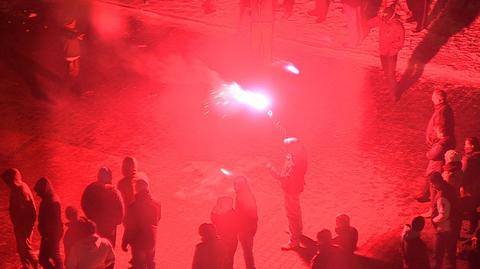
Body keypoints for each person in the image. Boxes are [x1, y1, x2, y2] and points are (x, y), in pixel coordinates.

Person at [268, 137, 307, 250]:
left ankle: (294, 241)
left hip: (291, 190)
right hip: (295, 188)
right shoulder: (300, 154)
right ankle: (297, 230)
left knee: (292, 214)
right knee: (296, 210)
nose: (286, 151)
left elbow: (285, 178)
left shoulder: (295, 164)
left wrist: (272, 171)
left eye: (288, 148)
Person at [417, 89, 455, 203]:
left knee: (433, 172)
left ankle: (432, 197)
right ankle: (426, 193)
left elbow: (441, 131)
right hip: (440, 145)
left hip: (439, 146)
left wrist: (436, 139)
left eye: (433, 97)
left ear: (439, 99)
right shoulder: (445, 109)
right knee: (433, 170)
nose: (431, 99)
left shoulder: (441, 112)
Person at [122, 173, 161, 269]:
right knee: (151, 262)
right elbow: (158, 219)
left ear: (137, 189)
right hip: (151, 239)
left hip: (138, 242)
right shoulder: (157, 203)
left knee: (139, 265)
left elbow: (130, 227)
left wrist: (125, 241)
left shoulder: (133, 207)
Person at [2, 168, 39, 269]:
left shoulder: (21, 190)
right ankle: (26, 266)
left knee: (26, 249)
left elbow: (29, 212)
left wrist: (25, 227)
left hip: (24, 226)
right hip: (20, 225)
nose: (7, 184)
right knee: (21, 248)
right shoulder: (17, 188)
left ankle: (36, 265)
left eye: (8, 181)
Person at [367, 6, 404, 98]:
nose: (384, 17)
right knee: (386, 72)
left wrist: (392, 50)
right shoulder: (382, 20)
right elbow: (369, 24)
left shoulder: (398, 25)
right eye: (383, 15)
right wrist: (379, 17)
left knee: (391, 74)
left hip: (391, 54)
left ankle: (394, 94)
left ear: (391, 15)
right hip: (383, 52)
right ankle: (391, 87)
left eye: (385, 15)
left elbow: (400, 42)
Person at [81, 167, 124, 246]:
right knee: (109, 251)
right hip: (109, 229)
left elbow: (84, 204)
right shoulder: (114, 192)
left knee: (95, 250)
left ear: (98, 176)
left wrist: (90, 217)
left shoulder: (90, 188)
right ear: (110, 177)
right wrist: (114, 222)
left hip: (94, 227)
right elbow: (121, 212)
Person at [430, 172, 459, 269]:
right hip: (454, 226)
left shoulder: (441, 196)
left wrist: (434, 220)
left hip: (443, 230)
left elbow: (443, 215)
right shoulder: (449, 188)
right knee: (451, 255)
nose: (432, 186)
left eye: (432, 184)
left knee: (437, 256)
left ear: (436, 183)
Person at [34, 177, 64, 269]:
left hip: (51, 235)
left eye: (39, 192)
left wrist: (47, 235)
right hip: (48, 235)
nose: (38, 194)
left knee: (54, 255)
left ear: (44, 190)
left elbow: (54, 222)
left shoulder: (53, 202)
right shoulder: (49, 198)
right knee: (44, 258)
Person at [233, 176, 258, 269]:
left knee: (247, 252)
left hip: (245, 229)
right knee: (248, 250)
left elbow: (242, 215)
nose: (234, 186)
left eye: (236, 185)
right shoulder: (248, 194)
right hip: (251, 228)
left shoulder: (241, 197)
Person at [211, 196, 238, 269]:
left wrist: (215, 214)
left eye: (220, 205)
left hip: (228, 243)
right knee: (227, 261)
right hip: (229, 242)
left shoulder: (230, 216)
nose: (219, 207)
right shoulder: (230, 214)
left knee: (226, 262)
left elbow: (218, 225)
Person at [462, 137, 480, 234]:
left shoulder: (468, 159)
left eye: (466, 144)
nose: (464, 146)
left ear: (472, 146)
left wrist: (462, 186)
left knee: (471, 208)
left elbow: (464, 173)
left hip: (471, 188)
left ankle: (472, 229)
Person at [250, 0, 274, 66]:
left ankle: (267, 64)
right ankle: (255, 62)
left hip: (266, 22)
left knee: (267, 45)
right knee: (255, 44)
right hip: (256, 22)